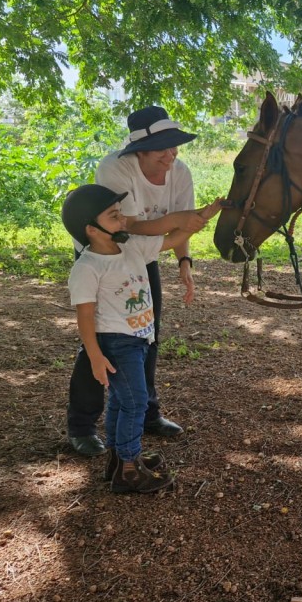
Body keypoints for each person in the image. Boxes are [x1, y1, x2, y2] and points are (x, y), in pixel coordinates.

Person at [62, 184, 224, 492]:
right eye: (113, 216)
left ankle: (118, 458)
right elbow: (84, 317)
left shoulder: (132, 247)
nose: (123, 220)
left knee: (122, 403)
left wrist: (203, 217)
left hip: (139, 339)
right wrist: (95, 356)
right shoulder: (87, 267)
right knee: (135, 404)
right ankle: (129, 468)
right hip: (115, 343)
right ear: (91, 229)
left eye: (120, 213)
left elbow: (174, 238)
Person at [67, 106, 205, 456]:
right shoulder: (115, 168)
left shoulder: (180, 171)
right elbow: (125, 226)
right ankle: (81, 425)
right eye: (163, 148)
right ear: (139, 151)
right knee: (101, 340)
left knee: (145, 332)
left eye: (175, 147)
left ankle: (146, 413)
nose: (171, 155)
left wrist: (184, 260)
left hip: (143, 256)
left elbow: (182, 228)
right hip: (104, 255)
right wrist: (175, 219)